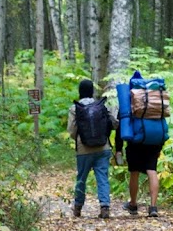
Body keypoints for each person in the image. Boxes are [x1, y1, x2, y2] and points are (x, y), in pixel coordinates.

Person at [67, 79, 119, 219]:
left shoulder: (75, 108)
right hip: (103, 147)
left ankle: (78, 208)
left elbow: (72, 130)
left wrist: (80, 140)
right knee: (102, 177)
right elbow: (113, 123)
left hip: (83, 150)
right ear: (92, 91)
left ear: (80, 92)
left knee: (81, 178)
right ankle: (104, 206)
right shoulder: (101, 105)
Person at [118, 129, 163, 218]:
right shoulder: (153, 113)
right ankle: (153, 207)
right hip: (153, 143)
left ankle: (133, 204)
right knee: (152, 171)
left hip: (134, 143)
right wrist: (159, 146)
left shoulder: (130, 113)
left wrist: (118, 149)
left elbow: (122, 128)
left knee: (134, 173)